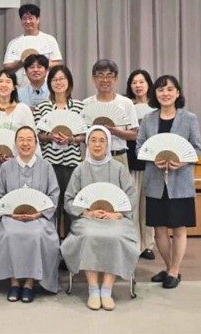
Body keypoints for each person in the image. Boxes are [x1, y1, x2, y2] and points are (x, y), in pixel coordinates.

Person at [60, 126, 138, 311]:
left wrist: (116, 213)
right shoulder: (80, 169)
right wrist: (86, 212)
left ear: (108, 144)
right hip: (88, 219)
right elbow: (69, 199)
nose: (97, 144)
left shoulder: (119, 169)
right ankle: (93, 289)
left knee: (115, 236)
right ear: (87, 144)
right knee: (89, 234)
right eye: (93, 140)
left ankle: (107, 290)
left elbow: (131, 196)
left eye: (102, 140)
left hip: (116, 219)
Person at [137, 75, 201, 289]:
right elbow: (140, 149)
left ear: (177, 93)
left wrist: (181, 161)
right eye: (161, 90)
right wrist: (153, 158)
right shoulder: (148, 119)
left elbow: (197, 148)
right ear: (155, 94)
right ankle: (169, 267)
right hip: (155, 181)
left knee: (179, 227)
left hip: (180, 181)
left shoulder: (189, 118)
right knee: (159, 229)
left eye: (170, 89)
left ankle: (174, 270)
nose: (165, 93)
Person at [0, 126, 60, 302]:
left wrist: (39, 214)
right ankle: (14, 282)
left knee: (36, 234)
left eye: (29, 139)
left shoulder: (46, 167)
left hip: (39, 218)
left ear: (36, 143)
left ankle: (29, 282)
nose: (25, 143)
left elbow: (53, 195)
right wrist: (10, 212)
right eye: (21, 139)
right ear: (15, 142)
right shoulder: (6, 167)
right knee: (10, 233)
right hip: (11, 218)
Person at [33, 65, 84, 237]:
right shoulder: (42, 107)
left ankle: (70, 247)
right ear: (49, 83)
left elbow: (85, 135)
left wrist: (72, 139)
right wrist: (50, 137)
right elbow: (36, 135)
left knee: (70, 204)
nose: (58, 82)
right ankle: (51, 245)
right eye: (54, 79)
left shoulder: (79, 106)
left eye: (62, 79)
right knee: (51, 204)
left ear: (69, 82)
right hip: (49, 162)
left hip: (72, 162)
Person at [124, 69, 157, 260]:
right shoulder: (126, 106)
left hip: (151, 161)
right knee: (132, 203)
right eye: (134, 82)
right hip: (130, 158)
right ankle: (133, 241)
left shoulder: (156, 108)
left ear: (148, 84)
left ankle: (148, 244)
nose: (138, 85)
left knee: (148, 204)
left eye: (141, 82)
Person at [83, 59, 139, 165]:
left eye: (109, 75)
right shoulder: (86, 104)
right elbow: (82, 134)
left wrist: (115, 131)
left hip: (118, 156)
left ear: (116, 79)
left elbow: (134, 135)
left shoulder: (126, 103)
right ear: (94, 79)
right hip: (93, 157)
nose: (105, 80)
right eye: (100, 75)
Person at [3, 4, 62, 87]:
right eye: (24, 19)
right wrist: (20, 63)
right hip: (21, 85)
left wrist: (40, 64)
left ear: (38, 19)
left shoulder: (49, 39)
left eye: (31, 18)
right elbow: (6, 66)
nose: (27, 22)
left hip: (46, 85)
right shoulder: (14, 42)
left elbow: (57, 63)